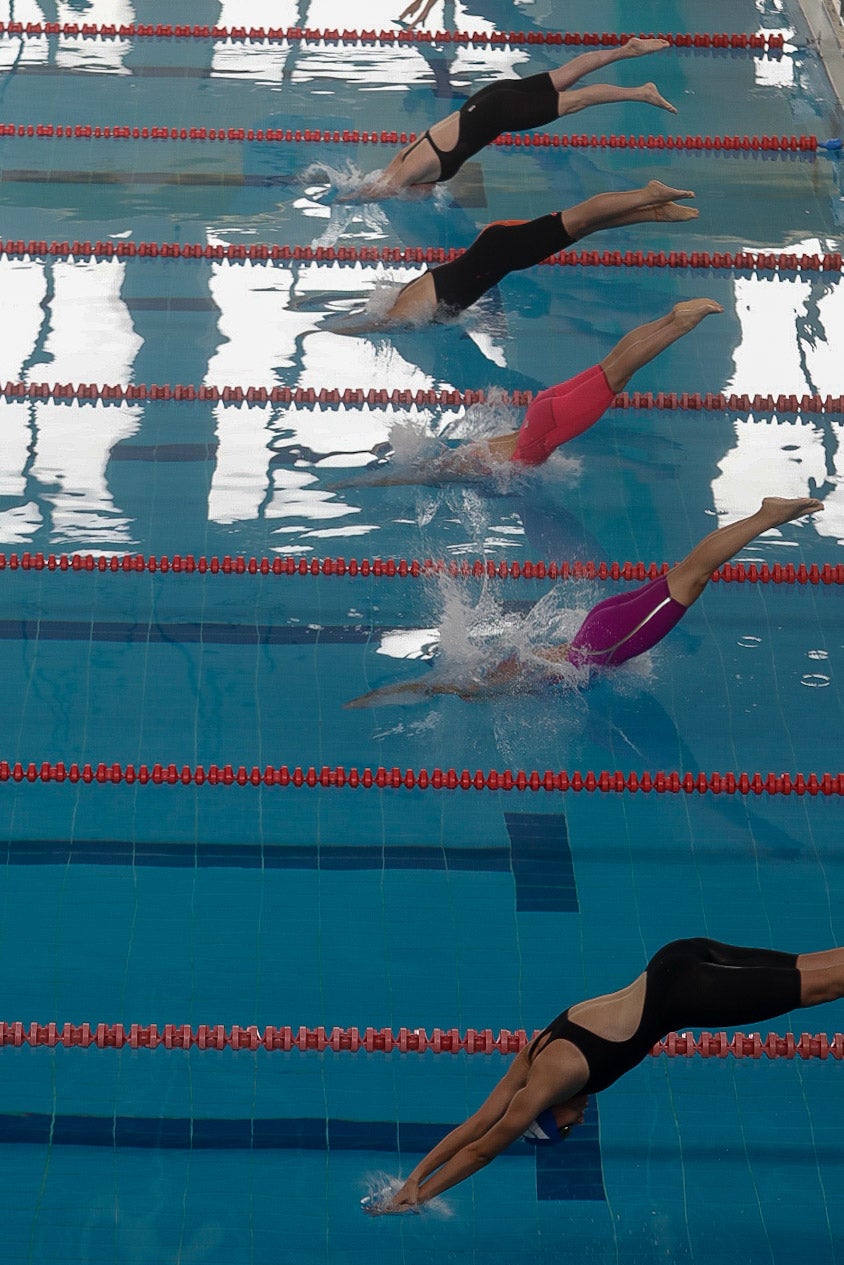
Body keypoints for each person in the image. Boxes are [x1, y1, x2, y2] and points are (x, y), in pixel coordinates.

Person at [362, 936, 844, 1213]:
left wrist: (421, 1195)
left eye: (568, 1126)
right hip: (674, 959)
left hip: (689, 991)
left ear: (550, 1116)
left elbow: (483, 1147)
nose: (581, 1120)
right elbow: (476, 1120)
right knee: (813, 964)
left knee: (822, 988)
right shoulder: (530, 1059)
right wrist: (414, 1177)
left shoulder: (552, 1083)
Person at [345, 495, 823, 705]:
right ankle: (766, 515)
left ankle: (767, 516)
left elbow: (443, 688)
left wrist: (405, 692)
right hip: (598, 625)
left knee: (693, 577)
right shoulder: (514, 661)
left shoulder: (498, 682)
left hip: (606, 638)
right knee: (686, 573)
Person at [337, 298, 722, 487]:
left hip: (547, 422)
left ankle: (680, 323)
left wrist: (367, 483)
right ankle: (672, 316)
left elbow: (417, 476)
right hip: (538, 413)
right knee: (614, 364)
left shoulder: (475, 464)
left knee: (618, 372)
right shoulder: (475, 448)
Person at [336, 181, 698, 329]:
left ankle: (646, 195)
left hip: (503, 248)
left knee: (580, 219)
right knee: (584, 227)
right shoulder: (410, 296)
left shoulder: (407, 311)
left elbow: (380, 326)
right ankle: (652, 211)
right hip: (499, 247)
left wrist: (346, 332)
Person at [350, 38, 676, 199]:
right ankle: (625, 49)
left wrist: (346, 198)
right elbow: (400, 187)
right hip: (489, 96)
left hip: (500, 111)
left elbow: (387, 191)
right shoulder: (402, 157)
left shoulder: (404, 172)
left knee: (578, 100)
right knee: (565, 76)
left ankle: (641, 93)